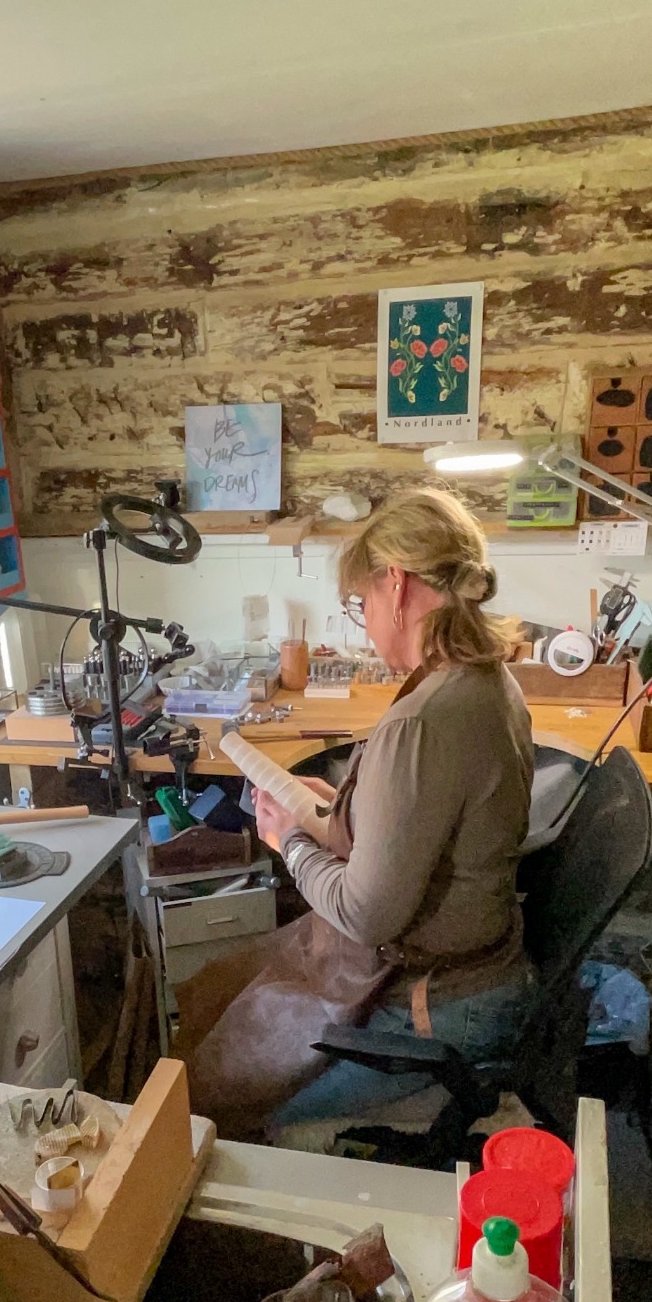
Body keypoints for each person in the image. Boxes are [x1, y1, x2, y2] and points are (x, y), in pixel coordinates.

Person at [187, 487, 536, 1142]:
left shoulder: (424, 719)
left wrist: (291, 843)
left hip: (440, 1006)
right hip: (480, 973)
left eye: (362, 604)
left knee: (236, 1115)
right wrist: (333, 810)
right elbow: (423, 823)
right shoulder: (488, 681)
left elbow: (366, 914)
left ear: (397, 585)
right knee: (227, 996)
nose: (366, 624)